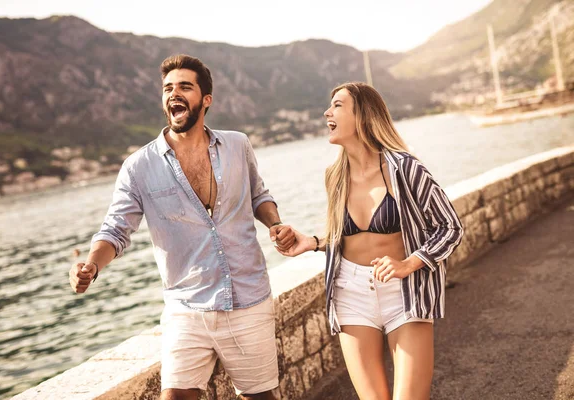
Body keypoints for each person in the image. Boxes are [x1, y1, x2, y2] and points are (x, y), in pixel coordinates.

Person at [68, 54, 295, 400]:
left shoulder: (238, 144)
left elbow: (258, 195)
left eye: (185, 86)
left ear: (206, 100)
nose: (174, 93)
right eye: (168, 88)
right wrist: (91, 265)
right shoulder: (138, 166)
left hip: (249, 300)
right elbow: (116, 230)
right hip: (186, 308)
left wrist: (275, 224)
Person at [277, 82, 464, 400]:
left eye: (337, 105)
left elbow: (450, 227)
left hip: (403, 293)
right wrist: (313, 241)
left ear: (362, 115)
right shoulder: (334, 176)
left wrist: (409, 263)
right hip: (351, 293)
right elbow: (347, 235)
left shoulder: (405, 169)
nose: (327, 112)